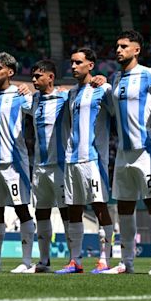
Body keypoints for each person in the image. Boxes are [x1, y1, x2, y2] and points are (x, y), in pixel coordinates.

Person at [105, 30, 151, 274]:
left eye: (124, 46)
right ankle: (126, 262)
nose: (118, 50)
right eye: (117, 46)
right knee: (124, 206)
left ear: (136, 50)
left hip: (146, 149)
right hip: (122, 150)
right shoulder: (115, 78)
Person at [54, 48, 115, 274]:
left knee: (100, 207)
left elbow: (118, 108)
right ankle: (75, 260)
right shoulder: (71, 94)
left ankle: (104, 259)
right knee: (74, 209)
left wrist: (107, 80)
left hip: (93, 159)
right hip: (72, 159)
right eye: (72, 62)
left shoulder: (103, 89)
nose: (73, 66)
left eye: (78, 62)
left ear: (91, 65)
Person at [0, 52, 35, 274]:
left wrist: (29, 90)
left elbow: (36, 108)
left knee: (22, 209)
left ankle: (27, 261)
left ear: (10, 72)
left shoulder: (20, 95)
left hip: (15, 163)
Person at [26, 60, 71, 273]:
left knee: (66, 213)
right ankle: (44, 261)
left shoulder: (65, 97)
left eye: (38, 76)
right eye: (33, 76)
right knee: (41, 213)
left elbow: (83, 92)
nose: (33, 80)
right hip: (39, 167)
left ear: (50, 77)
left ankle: (75, 260)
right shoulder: (34, 100)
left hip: (60, 167)